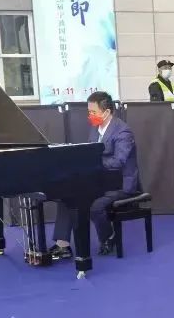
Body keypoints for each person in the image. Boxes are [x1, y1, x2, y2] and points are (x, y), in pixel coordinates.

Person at [51, 91, 141, 259]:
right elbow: (91, 152)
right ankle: (63, 245)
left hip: (120, 184)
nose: (90, 116)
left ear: (106, 112)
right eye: (89, 112)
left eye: (93, 112)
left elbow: (118, 161)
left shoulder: (123, 132)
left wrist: (93, 163)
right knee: (67, 195)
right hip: (100, 181)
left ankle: (108, 237)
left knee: (96, 207)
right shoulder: (95, 129)